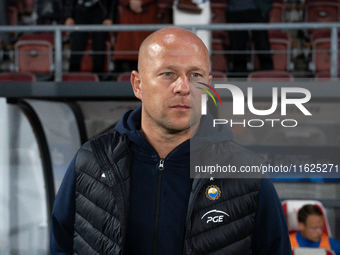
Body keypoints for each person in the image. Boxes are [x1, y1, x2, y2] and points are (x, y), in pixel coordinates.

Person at [50, 27, 291, 254]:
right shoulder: (91, 161)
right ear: (138, 84)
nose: (183, 87)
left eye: (195, 75)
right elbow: (61, 246)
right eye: (168, 74)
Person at [64, 0, 117, 77]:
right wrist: (69, 16)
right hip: (80, 9)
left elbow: (113, 2)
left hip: (100, 9)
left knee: (99, 45)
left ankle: (99, 77)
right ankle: (73, 76)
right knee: (77, 44)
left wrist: (110, 17)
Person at [226, 0, 274, 76]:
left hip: (257, 10)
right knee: (238, 48)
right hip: (234, 11)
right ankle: (240, 79)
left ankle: (268, 76)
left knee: (262, 45)